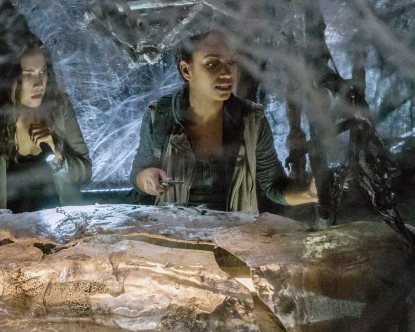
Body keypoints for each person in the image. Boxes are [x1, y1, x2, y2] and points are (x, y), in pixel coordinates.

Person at [130, 30, 317, 213]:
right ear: (186, 70)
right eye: (212, 64)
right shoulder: (159, 115)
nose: (227, 73)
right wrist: (146, 178)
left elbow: (273, 185)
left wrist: (308, 193)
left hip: (234, 232)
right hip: (174, 230)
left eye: (232, 62)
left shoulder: (252, 120)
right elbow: (138, 174)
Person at [0, 36, 91, 213]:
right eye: (28, 75)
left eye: (42, 72)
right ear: (7, 79)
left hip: (61, 223)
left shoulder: (59, 108)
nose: (39, 84)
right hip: (7, 226)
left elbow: (85, 174)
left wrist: (57, 156)